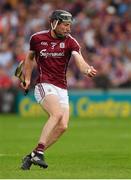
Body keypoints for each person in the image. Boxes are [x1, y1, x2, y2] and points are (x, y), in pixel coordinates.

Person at [20, 9, 97, 170]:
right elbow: (29, 58)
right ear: (54, 23)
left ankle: (32, 155)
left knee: (63, 126)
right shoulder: (37, 38)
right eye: (65, 25)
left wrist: (87, 69)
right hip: (43, 85)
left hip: (61, 88)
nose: (68, 28)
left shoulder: (71, 42)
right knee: (57, 114)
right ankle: (40, 151)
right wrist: (27, 78)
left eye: (70, 25)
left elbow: (80, 60)